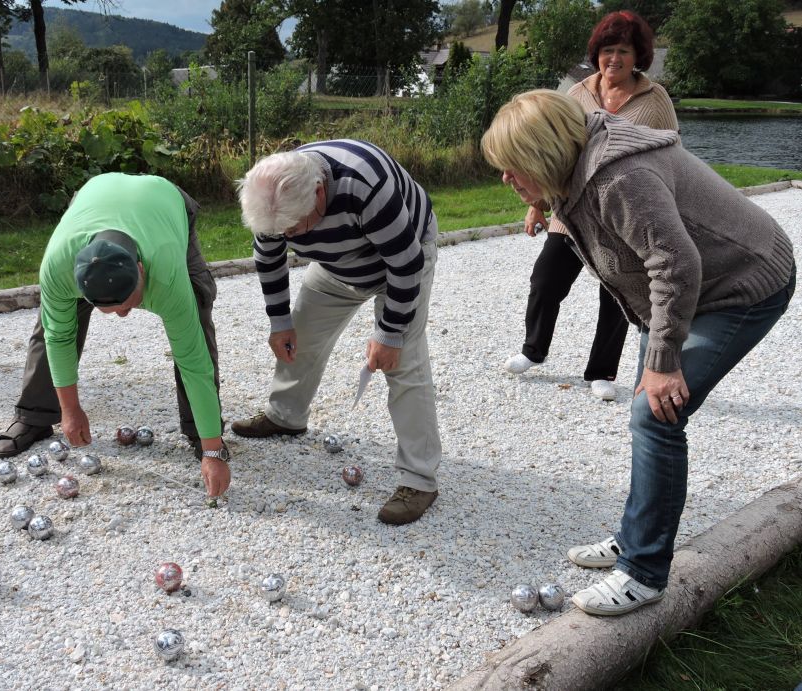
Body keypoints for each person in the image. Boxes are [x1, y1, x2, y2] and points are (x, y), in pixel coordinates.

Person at [481, 90, 795, 615]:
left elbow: (676, 264)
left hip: (743, 282)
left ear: (543, 154)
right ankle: (635, 535)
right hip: (685, 290)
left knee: (656, 414)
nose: (506, 179)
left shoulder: (619, 177)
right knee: (647, 411)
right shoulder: (578, 164)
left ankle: (645, 573)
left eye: (514, 167)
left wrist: (665, 360)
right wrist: (541, 198)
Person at [233, 140, 442, 526]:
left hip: (401, 258)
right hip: (336, 267)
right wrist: (279, 322)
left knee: (404, 364)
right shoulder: (273, 198)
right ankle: (286, 415)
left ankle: (419, 480)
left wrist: (390, 333)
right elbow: (268, 255)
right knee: (302, 336)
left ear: (318, 191)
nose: (290, 236)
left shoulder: (364, 183)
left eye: (295, 228)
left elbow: (406, 262)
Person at [0, 173, 230, 497]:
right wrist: (70, 410)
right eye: (110, 308)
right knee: (54, 321)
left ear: (141, 272)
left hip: (165, 203)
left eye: (128, 303)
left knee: (197, 311)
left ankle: (200, 434)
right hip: (94, 196)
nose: (122, 314)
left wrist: (213, 451)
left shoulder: (166, 274)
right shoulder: (58, 267)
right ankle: (35, 415)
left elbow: (193, 361)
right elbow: (58, 337)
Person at [504, 11, 678, 402]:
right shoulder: (577, 93)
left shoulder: (655, 100)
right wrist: (536, 204)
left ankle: (601, 372)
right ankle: (534, 350)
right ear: (596, 54)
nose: (614, 58)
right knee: (545, 281)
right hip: (571, 212)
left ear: (639, 57)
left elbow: (672, 155)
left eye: (624, 51)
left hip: (624, 217)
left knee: (618, 295)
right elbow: (552, 155)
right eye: (607, 50)